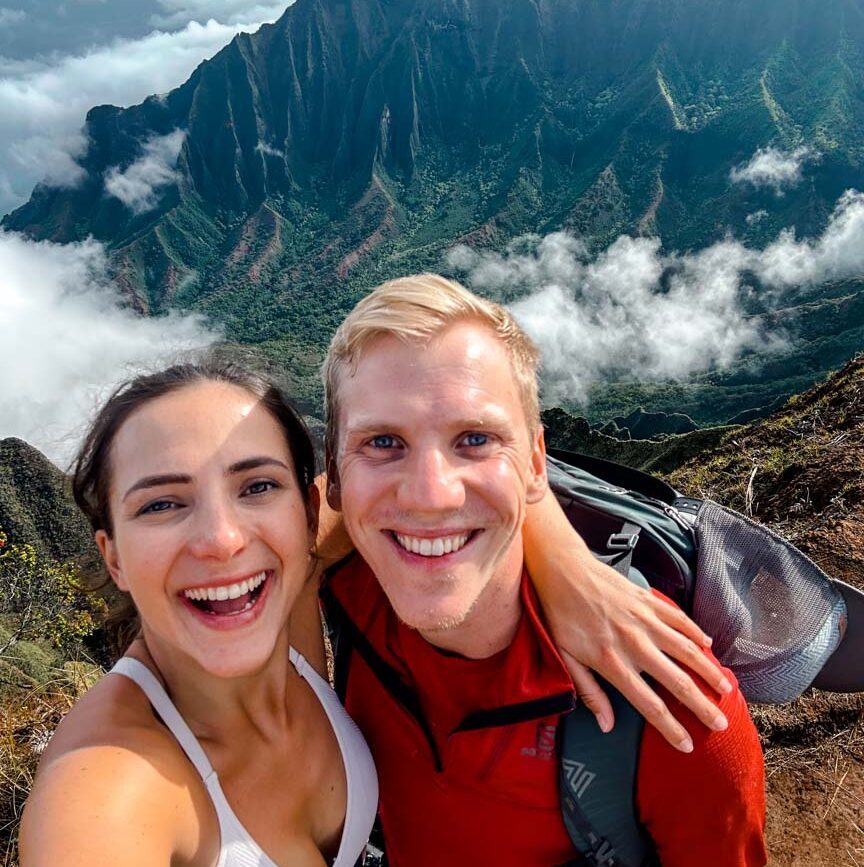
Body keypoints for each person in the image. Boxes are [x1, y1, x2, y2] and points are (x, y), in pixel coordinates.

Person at [321, 274, 768, 866]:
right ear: (334, 469)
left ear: (536, 463)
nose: (431, 494)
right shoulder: (345, 585)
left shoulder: (671, 703)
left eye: (475, 438)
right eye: (382, 442)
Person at [20, 363, 378, 866]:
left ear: (308, 513)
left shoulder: (287, 598)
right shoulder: (109, 790)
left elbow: (378, 496)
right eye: (162, 504)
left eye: (257, 487)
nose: (222, 541)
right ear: (114, 557)